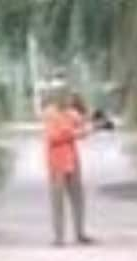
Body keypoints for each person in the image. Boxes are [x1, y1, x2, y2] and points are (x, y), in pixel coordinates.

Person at [42, 88, 92, 246]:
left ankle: (80, 232)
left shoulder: (71, 114)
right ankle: (59, 236)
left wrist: (84, 123)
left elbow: (83, 128)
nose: (68, 101)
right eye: (66, 98)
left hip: (72, 160)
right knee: (57, 200)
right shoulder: (51, 114)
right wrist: (72, 133)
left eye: (70, 98)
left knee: (78, 198)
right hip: (57, 161)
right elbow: (53, 137)